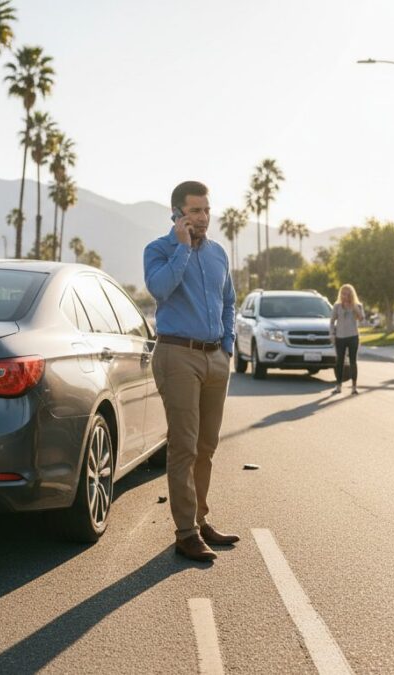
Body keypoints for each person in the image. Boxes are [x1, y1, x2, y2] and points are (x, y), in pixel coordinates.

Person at [143, 180, 239, 563]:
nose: (203, 217)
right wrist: (182, 249)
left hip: (216, 357)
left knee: (206, 447)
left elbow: (229, 301)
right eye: (195, 211)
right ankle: (185, 533)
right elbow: (160, 290)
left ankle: (200, 520)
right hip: (177, 355)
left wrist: (228, 346)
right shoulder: (159, 250)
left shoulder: (218, 254)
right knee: (183, 446)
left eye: (206, 209)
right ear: (177, 214)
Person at [330, 284, 364, 395]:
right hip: (340, 337)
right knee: (339, 361)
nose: (345, 296)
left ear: (351, 294)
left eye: (347, 294)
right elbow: (332, 321)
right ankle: (338, 385)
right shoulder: (337, 306)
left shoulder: (357, 305)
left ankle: (354, 387)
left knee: (353, 361)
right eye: (343, 293)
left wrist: (354, 307)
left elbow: (361, 318)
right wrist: (332, 335)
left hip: (353, 337)